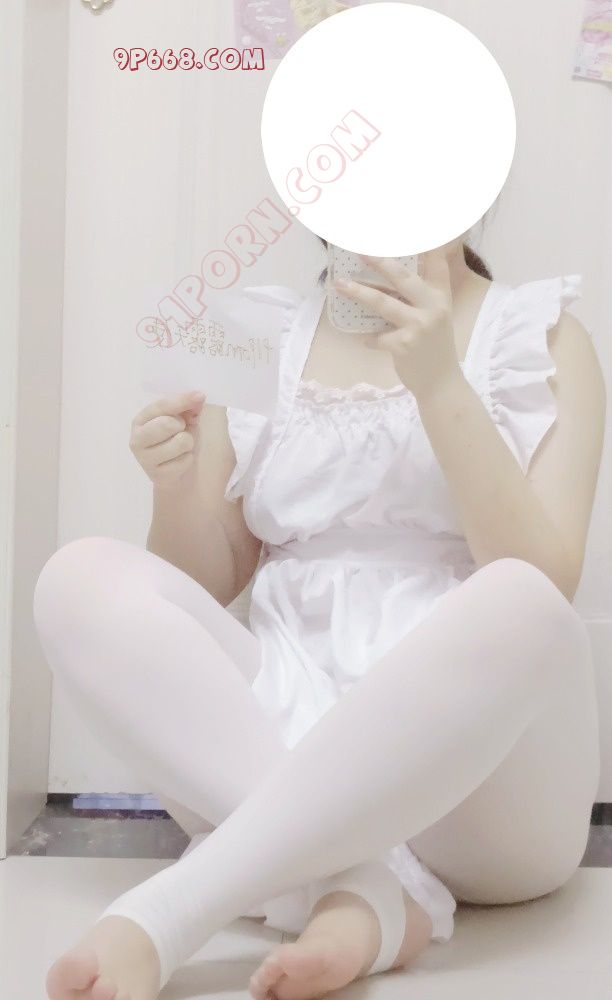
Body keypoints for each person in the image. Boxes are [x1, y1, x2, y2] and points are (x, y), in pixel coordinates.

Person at [33, 230, 605, 1000]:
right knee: (78, 580)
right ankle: (362, 887)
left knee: (519, 598)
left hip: (480, 799)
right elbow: (203, 582)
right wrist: (174, 487)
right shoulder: (255, 335)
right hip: (271, 750)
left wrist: (441, 384)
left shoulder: (544, 335)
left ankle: (174, 910)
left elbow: (545, 577)